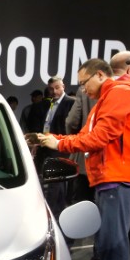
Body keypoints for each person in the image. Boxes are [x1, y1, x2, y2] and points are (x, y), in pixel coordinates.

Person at [36, 58, 130, 260]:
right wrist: (54, 139)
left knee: (114, 241)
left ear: (100, 75)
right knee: (105, 240)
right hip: (108, 176)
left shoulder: (121, 93)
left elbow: (100, 137)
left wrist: (59, 145)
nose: (83, 89)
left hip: (119, 177)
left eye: (84, 82)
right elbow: (87, 134)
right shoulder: (107, 98)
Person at [35, 76, 75, 219]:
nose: (54, 91)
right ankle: (56, 215)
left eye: (57, 88)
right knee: (54, 186)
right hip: (46, 147)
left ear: (63, 86)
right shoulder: (49, 104)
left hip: (61, 148)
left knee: (55, 186)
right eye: (51, 89)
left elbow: (73, 127)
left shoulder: (71, 103)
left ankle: (50, 216)